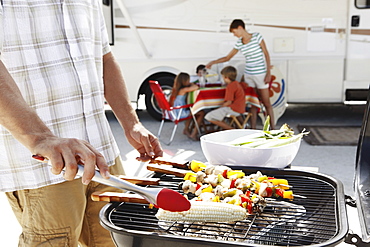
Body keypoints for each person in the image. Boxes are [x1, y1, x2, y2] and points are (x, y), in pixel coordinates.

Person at [0, 1, 162, 246]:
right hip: (45, 165)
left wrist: (132, 123)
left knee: (119, 241)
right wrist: (41, 138)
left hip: (102, 153)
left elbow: (104, 56)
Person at [206, 19, 275, 129]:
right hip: (249, 75)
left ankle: (273, 129)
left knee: (267, 103)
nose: (234, 35)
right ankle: (252, 129)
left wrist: (268, 73)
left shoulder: (257, 37)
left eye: (234, 32)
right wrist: (213, 62)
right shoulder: (239, 43)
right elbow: (228, 57)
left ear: (240, 28)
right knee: (253, 103)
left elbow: (266, 54)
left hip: (261, 74)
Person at [169, 72, 205, 141]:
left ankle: (186, 129)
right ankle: (194, 134)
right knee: (201, 113)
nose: (189, 81)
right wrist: (191, 84)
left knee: (192, 112)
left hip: (175, 112)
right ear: (184, 81)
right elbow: (196, 87)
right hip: (180, 113)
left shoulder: (176, 89)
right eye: (188, 80)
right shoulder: (183, 90)